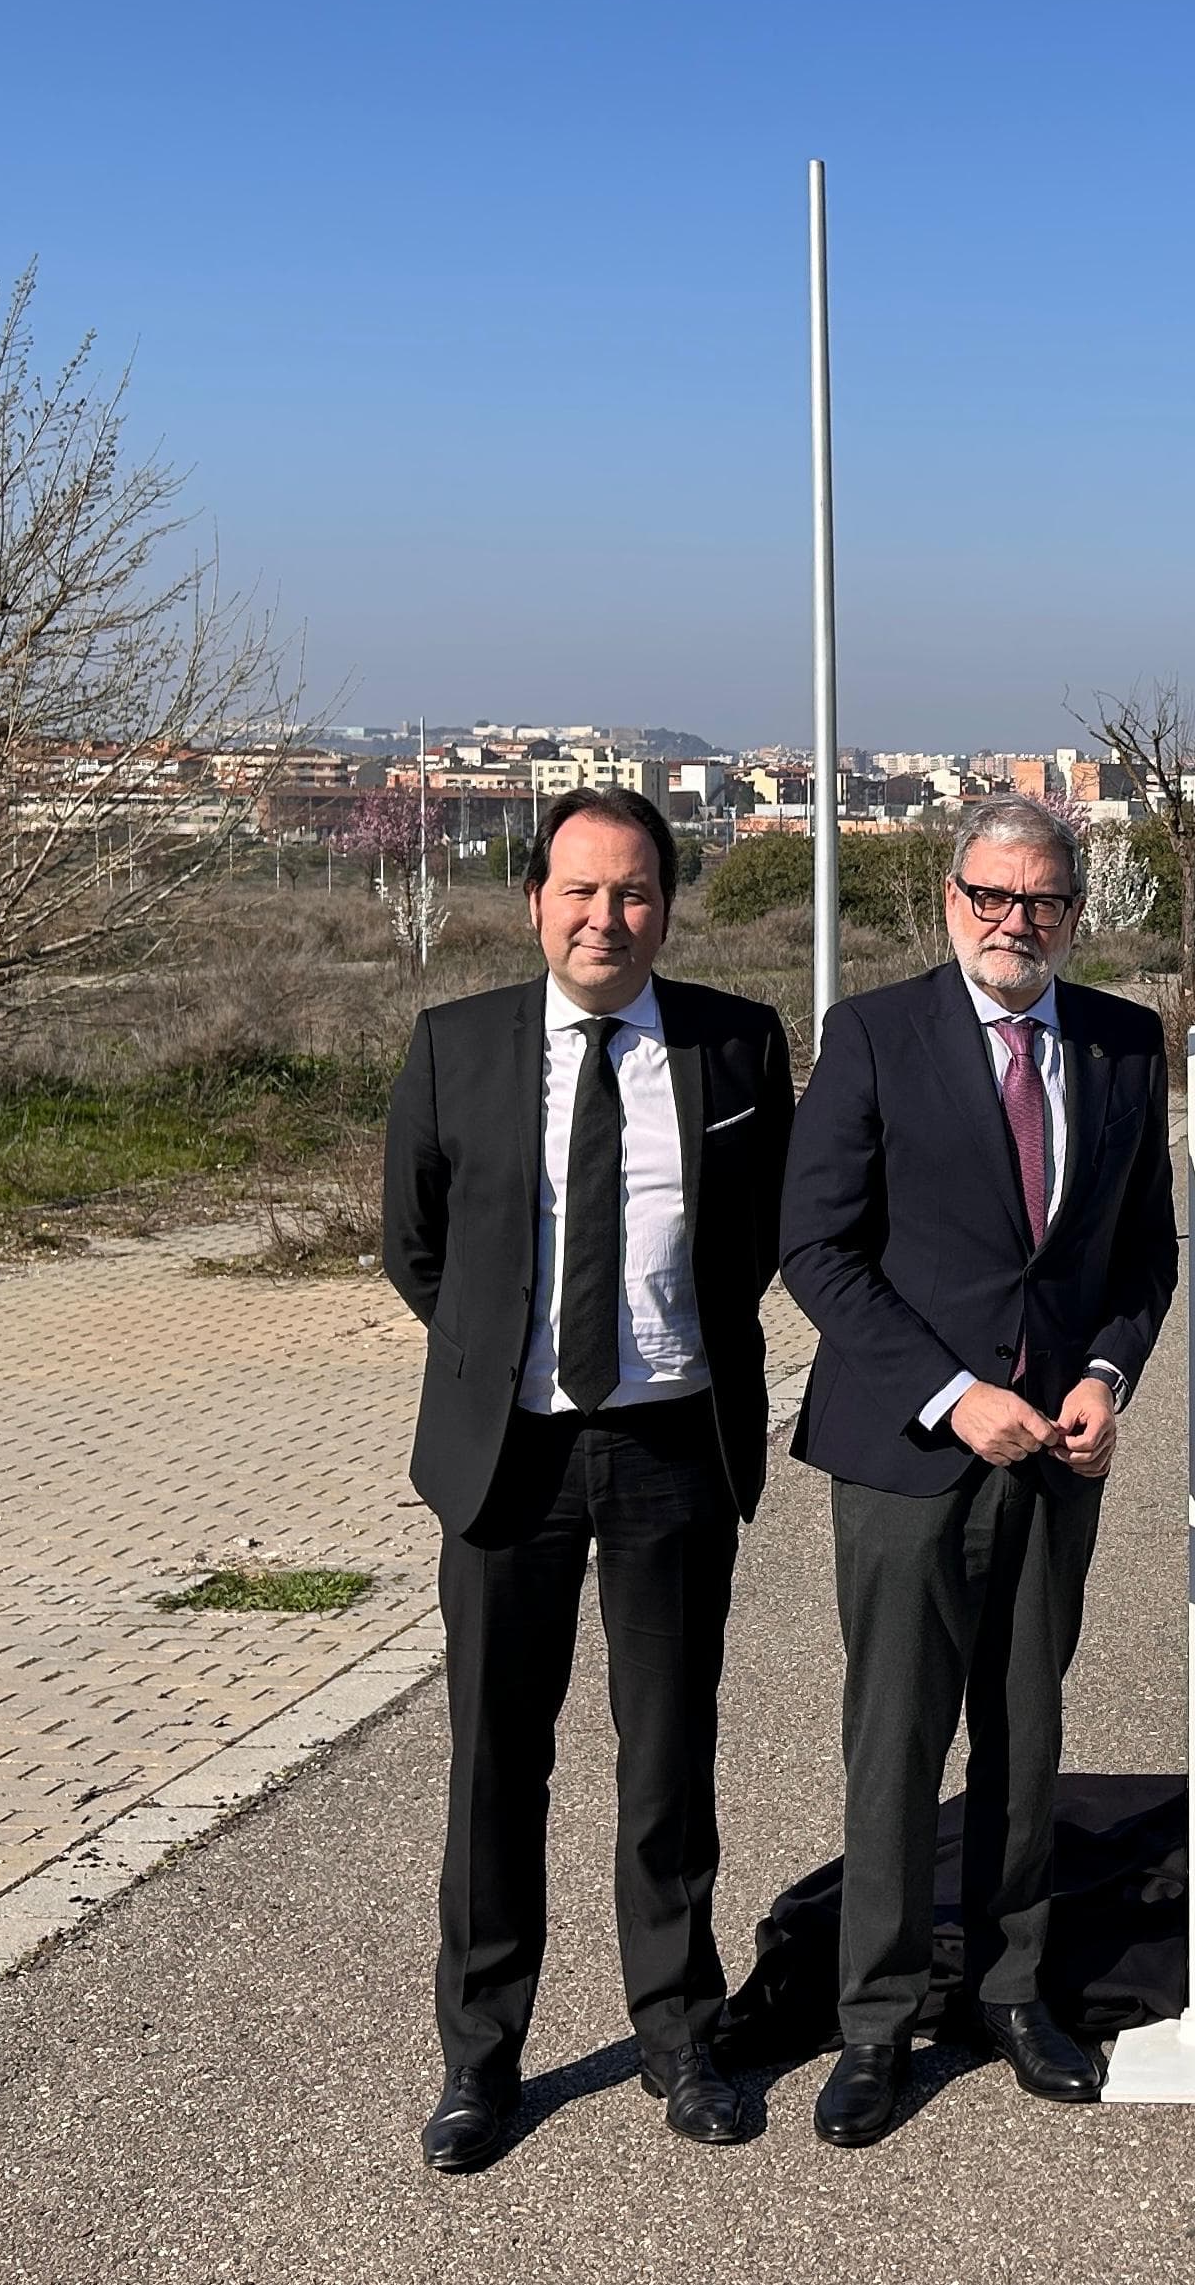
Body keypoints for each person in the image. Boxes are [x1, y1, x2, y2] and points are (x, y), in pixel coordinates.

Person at [383, 785, 796, 2175]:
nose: (604, 917)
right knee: (498, 1766)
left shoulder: (737, 1047)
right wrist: (507, 1351)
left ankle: (683, 2037)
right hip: (512, 1458)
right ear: (535, 903)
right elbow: (419, 1247)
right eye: (578, 890)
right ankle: (479, 2061)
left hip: (672, 1448)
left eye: (631, 893)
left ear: (666, 907)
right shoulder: (454, 1050)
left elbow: (752, 1244)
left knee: (668, 1759)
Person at [781, 794, 1179, 2148]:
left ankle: (1015, 1994)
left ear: (1077, 910)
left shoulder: (1125, 1043)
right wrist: (957, 1399)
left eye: (1045, 902)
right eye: (992, 898)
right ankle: (878, 2022)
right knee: (896, 1742)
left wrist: (1101, 1378)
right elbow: (815, 1248)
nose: (1018, 923)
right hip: (909, 1454)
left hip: (1059, 1458)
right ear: (951, 900)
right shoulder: (874, 1036)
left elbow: (1141, 1258)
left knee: (1027, 1736)